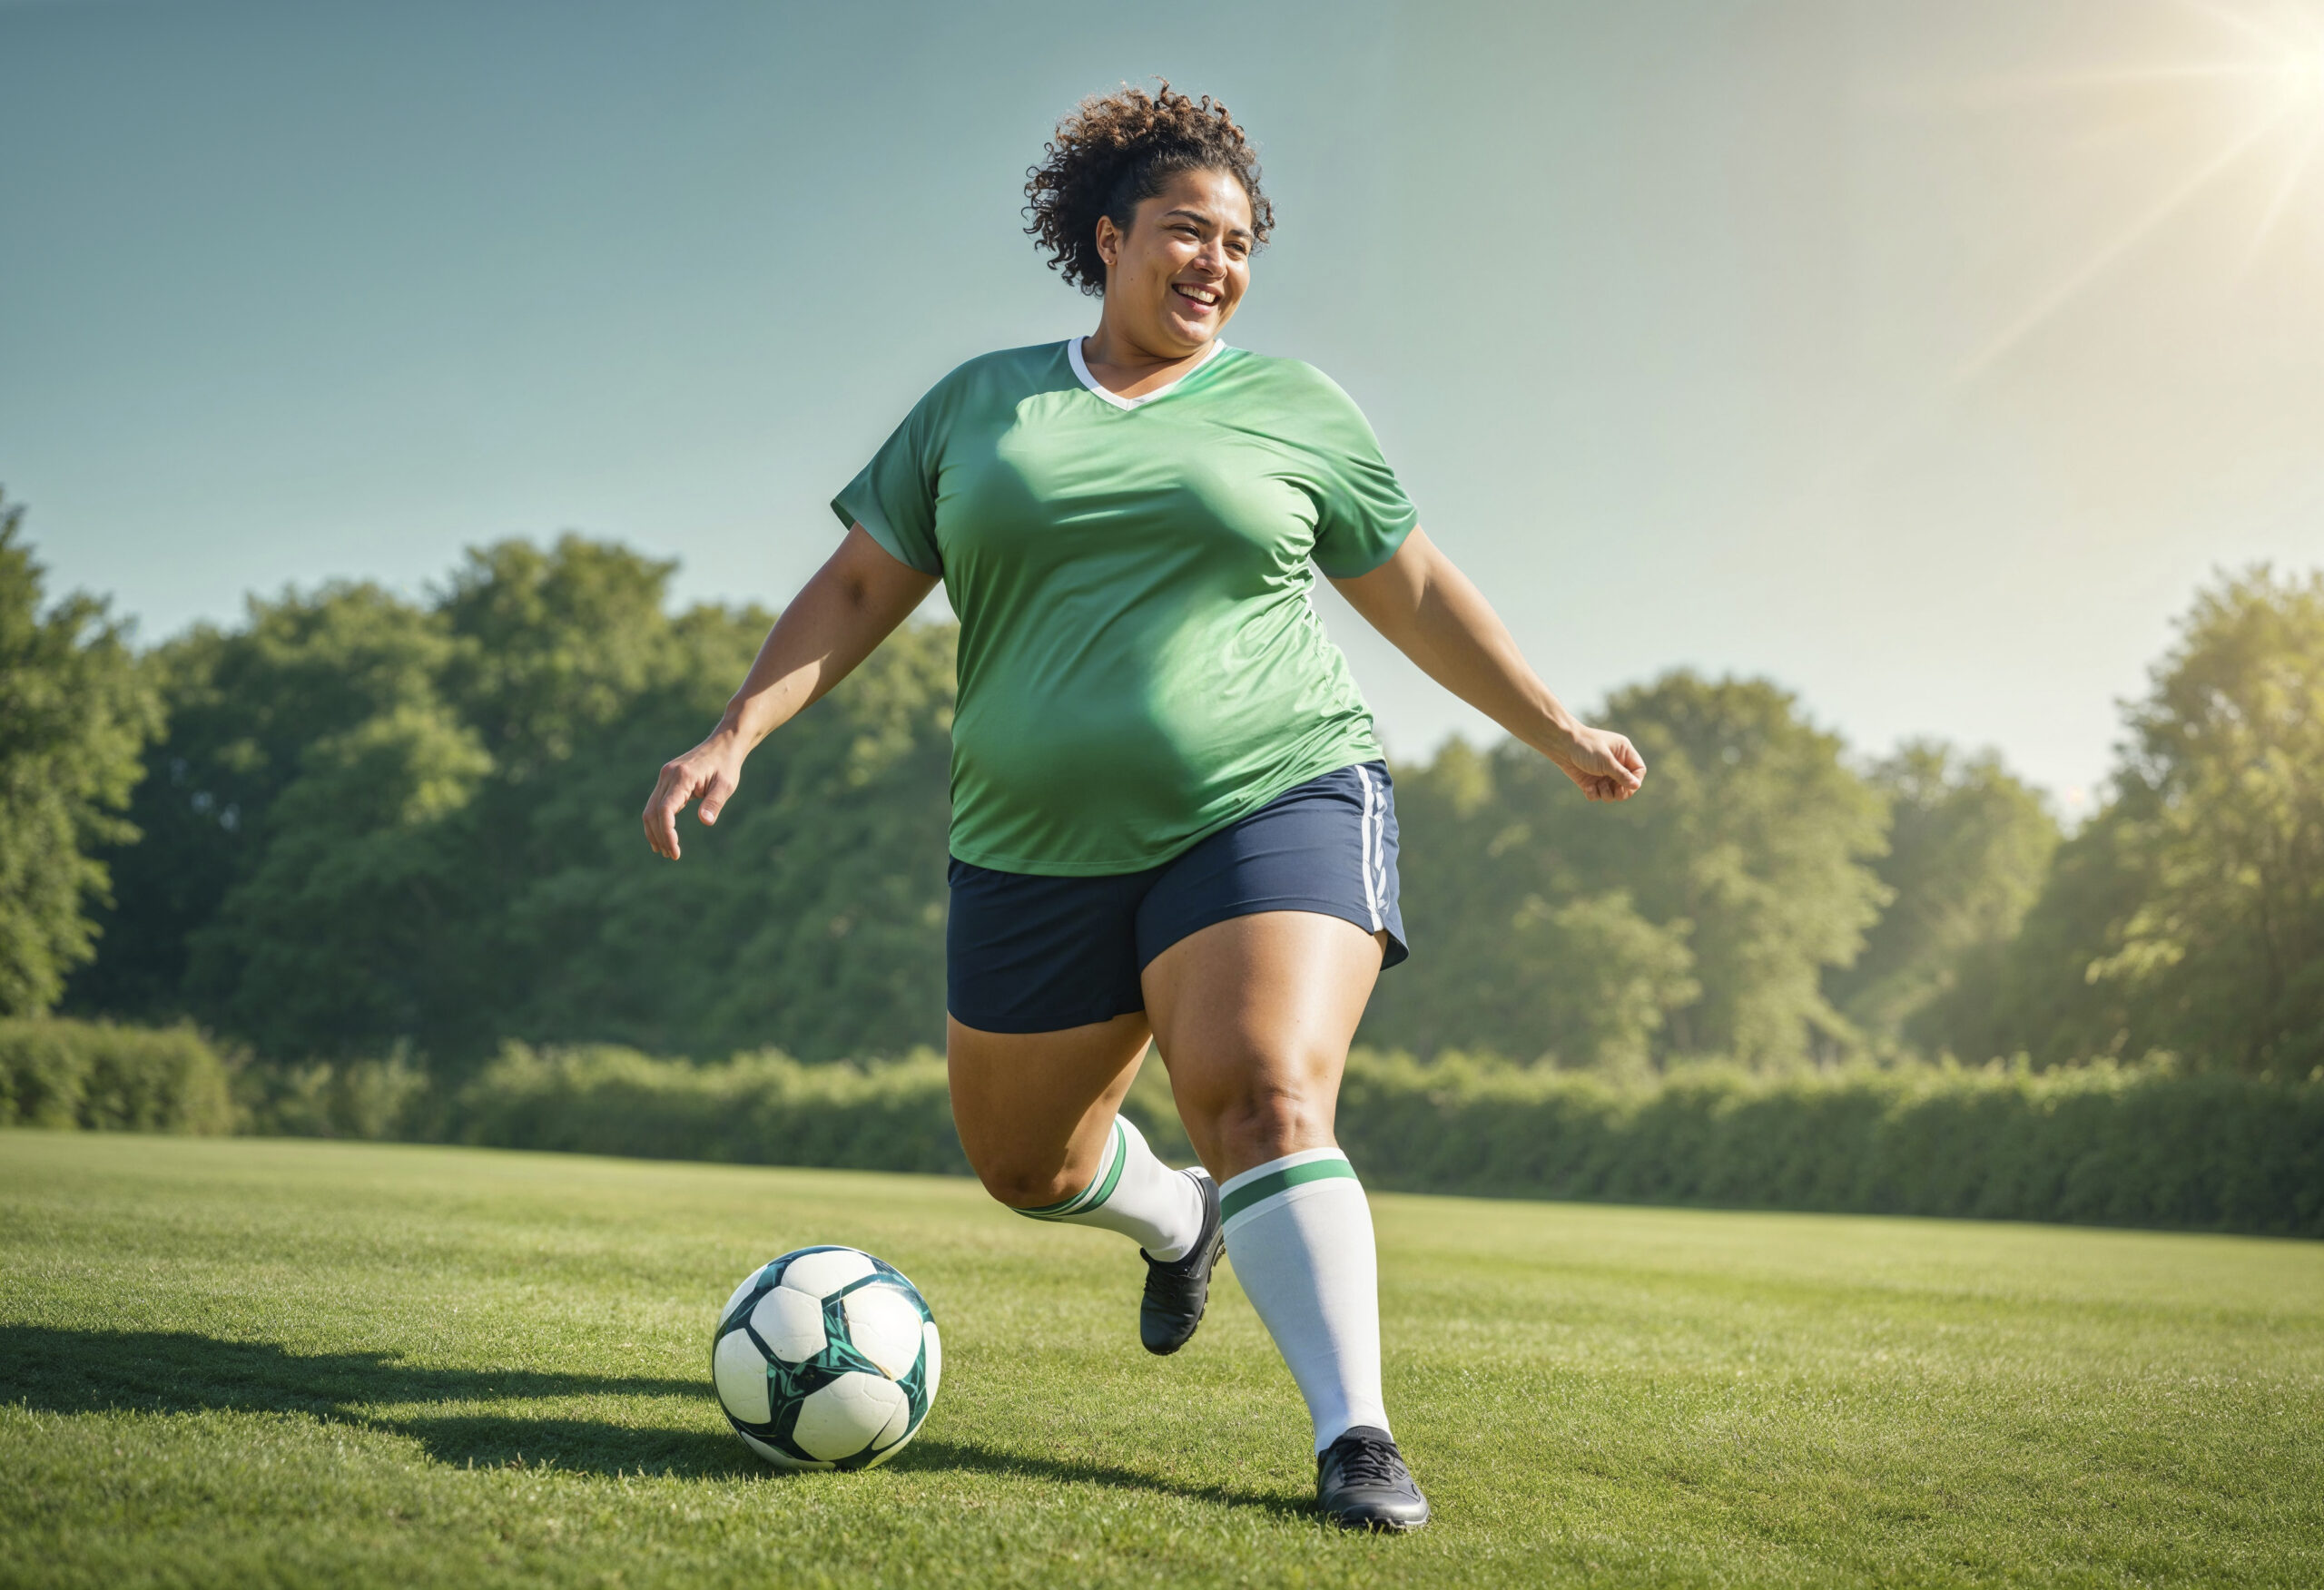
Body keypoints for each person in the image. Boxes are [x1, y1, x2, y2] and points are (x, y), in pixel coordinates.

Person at [642, 82, 1645, 1531]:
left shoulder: (1294, 409)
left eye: (1239, 244)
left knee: (1259, 1082)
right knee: (1024, 1163)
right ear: (1108, 238)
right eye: (1187, 231)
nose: (1215, 265)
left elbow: (1413, 588)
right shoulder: (978, 406)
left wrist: (1557, 730)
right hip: (1029, 848)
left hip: (1272, 794)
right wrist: (736, 730)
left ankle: (1353, 1438)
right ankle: (1179, 1222)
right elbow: (861, 585)